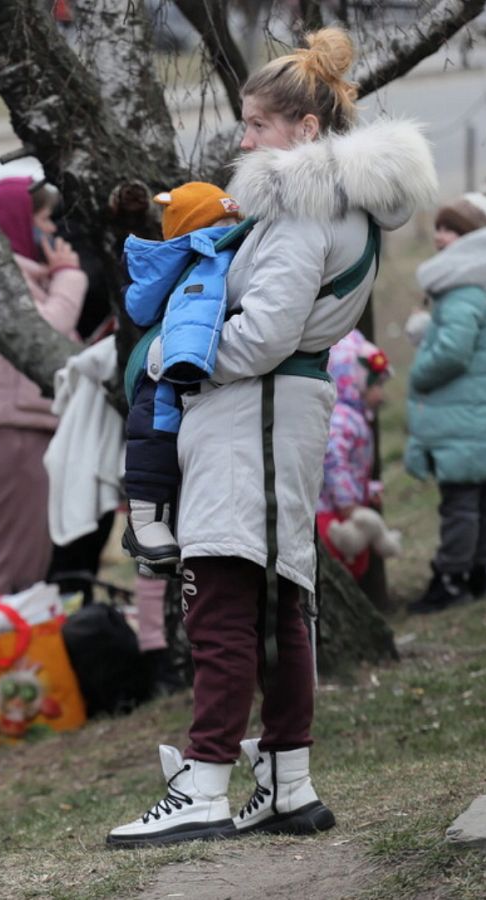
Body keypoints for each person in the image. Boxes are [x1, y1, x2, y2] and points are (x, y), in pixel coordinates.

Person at [106, 28, 437, 847]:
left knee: (220, 594)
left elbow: (260, 337)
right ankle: (288, 781)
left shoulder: (300, 204)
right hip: (279, 412)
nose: (243, 140)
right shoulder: (346, 206)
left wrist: (176, 360)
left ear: (308, 129)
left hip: (251, 412)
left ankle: (206, 782)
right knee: (285, 594)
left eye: (257, 125)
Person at [0, 177, 86, 605]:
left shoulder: (12, 277)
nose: (51, 229)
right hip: (9, 433)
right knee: (9, 565)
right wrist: (68, 276)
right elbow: (42, 330)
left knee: (26, 562)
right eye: (42, 219)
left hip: (19, 428)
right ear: (15, 223)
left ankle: (6, 656)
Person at [404, 183, 486, 612]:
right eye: (438, 228)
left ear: (476, 240)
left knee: (460, 505)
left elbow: (454, 353)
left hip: (464, 418)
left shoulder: (464, 291)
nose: (440, 237)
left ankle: (451, 581)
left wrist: (419, 372)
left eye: (451, 231)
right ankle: (480, 574)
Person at [118, 182, 245, 573]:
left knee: (161, 435)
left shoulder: (210, 251)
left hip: (171, 361)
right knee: (155, 426)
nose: (231, 227)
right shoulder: (212, 254)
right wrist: (187, 360)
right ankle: (145, 521)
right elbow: (197, 304)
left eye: (232, 221)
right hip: (174, 366)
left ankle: (158, 522)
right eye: (222, 221)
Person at [318, 329, 401, 578]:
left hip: (344, 510)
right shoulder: (342, 419)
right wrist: (348, 504)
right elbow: (333, 463)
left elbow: (352, 468)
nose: (381, 393)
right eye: (376, 385)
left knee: (352, 566)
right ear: (354, 382)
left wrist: (368, 490)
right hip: (332, 513)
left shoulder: (353, 418)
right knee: (341, 567)